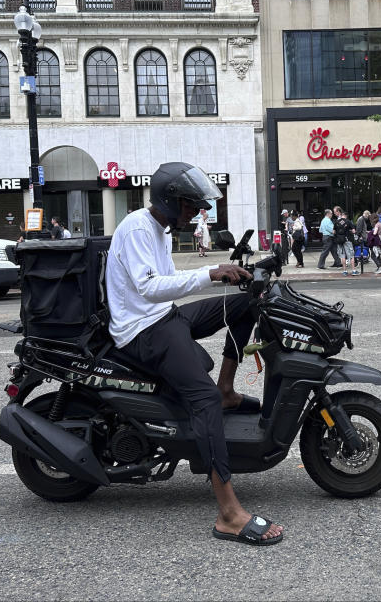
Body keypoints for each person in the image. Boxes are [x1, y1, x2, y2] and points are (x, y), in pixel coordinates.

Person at [107, 162, 283, 546]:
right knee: (201, 402)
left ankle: (226, 388)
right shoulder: (138, 228)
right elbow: (150, 288)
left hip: (162, 316)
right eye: (191, 206)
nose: (197, 212)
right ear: (170, 202)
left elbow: (166, 288)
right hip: (142, 331)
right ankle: (229, 514)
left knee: (244, 305)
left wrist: (232, 273)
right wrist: (210, 273)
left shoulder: (159, 229)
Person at [332, 207, 358, 276]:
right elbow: (353, 231)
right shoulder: (348, 221)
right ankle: (353, 270)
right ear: (346, 216)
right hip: (347, 240)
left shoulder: (336, 222)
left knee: (342, 256)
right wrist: (349, 231)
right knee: (351, 255)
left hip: (339, 241)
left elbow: (333, 232)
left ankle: (345, 271)